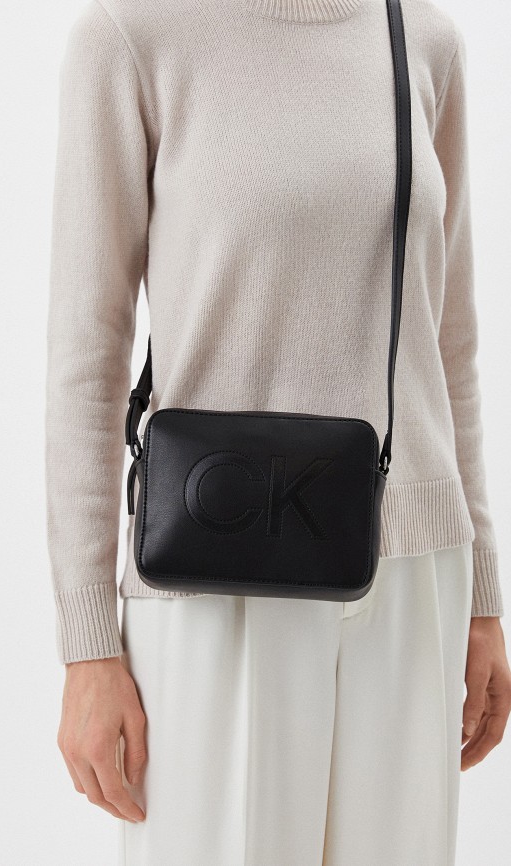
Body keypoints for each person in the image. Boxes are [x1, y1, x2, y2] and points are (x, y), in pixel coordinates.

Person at [45, 0, 511, 863]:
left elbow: (450, 342)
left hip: (411, 575)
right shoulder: (132, 35)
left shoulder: (423, 39)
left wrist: (483, 595)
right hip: (213, 572)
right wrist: (88, 646)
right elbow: (88, 354)